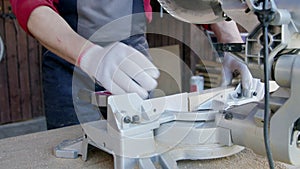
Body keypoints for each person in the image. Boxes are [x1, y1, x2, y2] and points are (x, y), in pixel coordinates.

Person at [10, 0, 263, 129]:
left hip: (133, 53)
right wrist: (90, 56)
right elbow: (30, 6)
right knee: (73, 149)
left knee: (140, 143)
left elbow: (200, 1)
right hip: (70, 57)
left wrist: (232, 46)